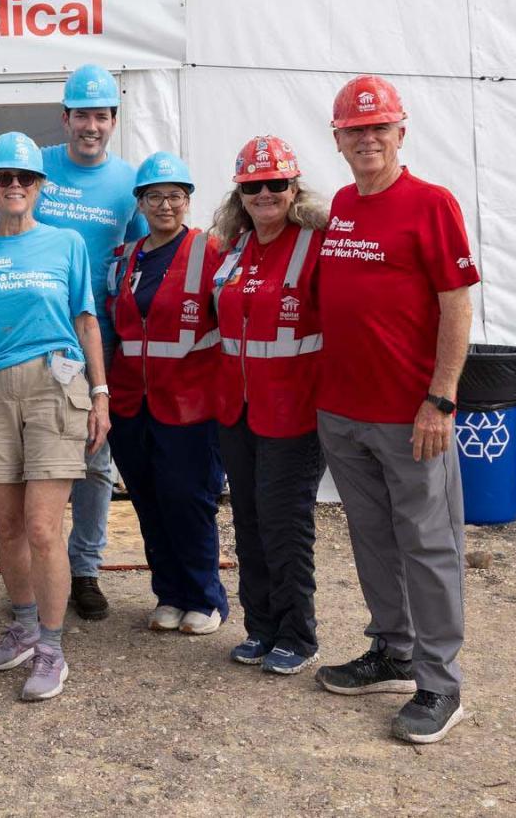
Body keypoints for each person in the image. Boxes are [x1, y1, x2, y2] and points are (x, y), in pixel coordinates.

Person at [312, 75, 478, 745]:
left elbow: (456, 301)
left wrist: (441, 397)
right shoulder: (343, 205)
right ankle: (394, 648)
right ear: (339, 140)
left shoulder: (430, 203)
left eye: (379, 127)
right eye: (356, 130)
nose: (368, 139)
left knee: (430, 543)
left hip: (412, 414)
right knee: (372, 537)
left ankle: (440, 682)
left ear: (400, 133)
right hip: (344, 410)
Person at [0, 132, 109, 702]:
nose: (14, 186)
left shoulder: (67, 243)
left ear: (40, 187)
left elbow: (87, 320)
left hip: (54, 387)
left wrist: (100, 394)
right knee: (9, 524)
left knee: (45, 529)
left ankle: (51, 647)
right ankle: (22, 626)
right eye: (2, 178)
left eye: (24, 178)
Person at [209, 136, 330, 675]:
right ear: (240, 192)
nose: (265, 194)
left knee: (286, 525)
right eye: (253, 186)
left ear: (293, 187)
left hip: (294, 413)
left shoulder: (316, 243)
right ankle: (260, 627)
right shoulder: (234, 246)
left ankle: (297, 635)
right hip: (238, 411)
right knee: (250, 522)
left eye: (276, 184)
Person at [33, 64, 147, 621]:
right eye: (82, 114)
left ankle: (85, 570)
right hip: (32, 340)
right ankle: (39, 568)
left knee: (95, 463)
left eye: (101, 115)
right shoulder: (37, 167)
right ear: (66, 118)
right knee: (36, 464)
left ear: (113, 120)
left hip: (94, 341)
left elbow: (145, 260)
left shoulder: (128, 184)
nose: (91, 125)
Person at [103, 152, 229, 639]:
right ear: (139, 203)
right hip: (134, 404)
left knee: (188, 500)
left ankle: (204, 596)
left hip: (190, 403)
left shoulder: (210, 251)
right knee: (149, 502)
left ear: (188, 201)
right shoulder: (127, 258)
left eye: (175, 196)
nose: (165, 205)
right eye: (154, 196)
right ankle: (169, 594)